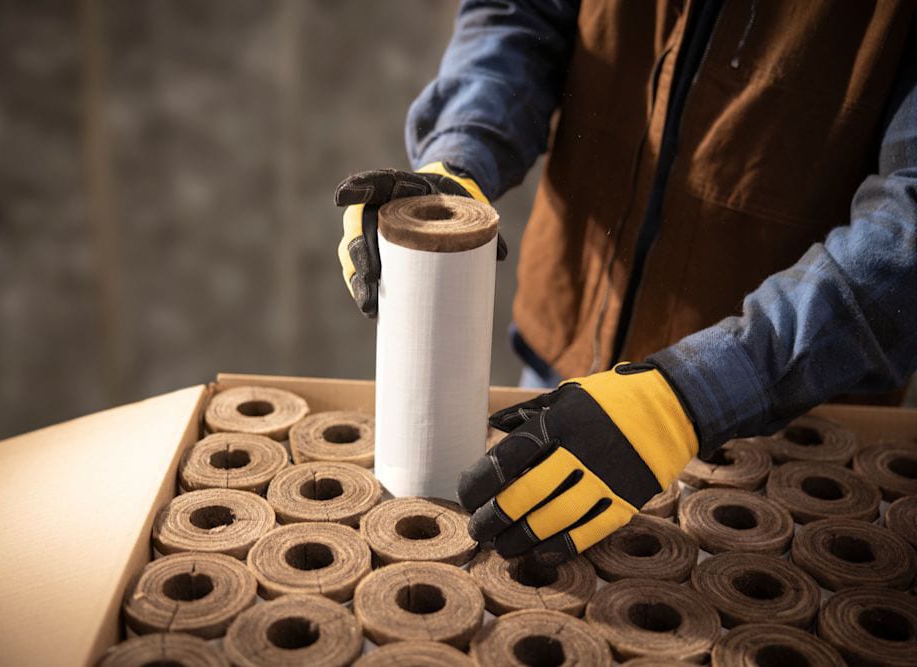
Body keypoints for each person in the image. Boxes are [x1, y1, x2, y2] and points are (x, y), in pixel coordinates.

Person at [335, 0, 917, 559]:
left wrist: (685, 399)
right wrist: (462, 152)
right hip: (559, 361)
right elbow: (521, 14)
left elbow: (907, 225)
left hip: (776, 415)